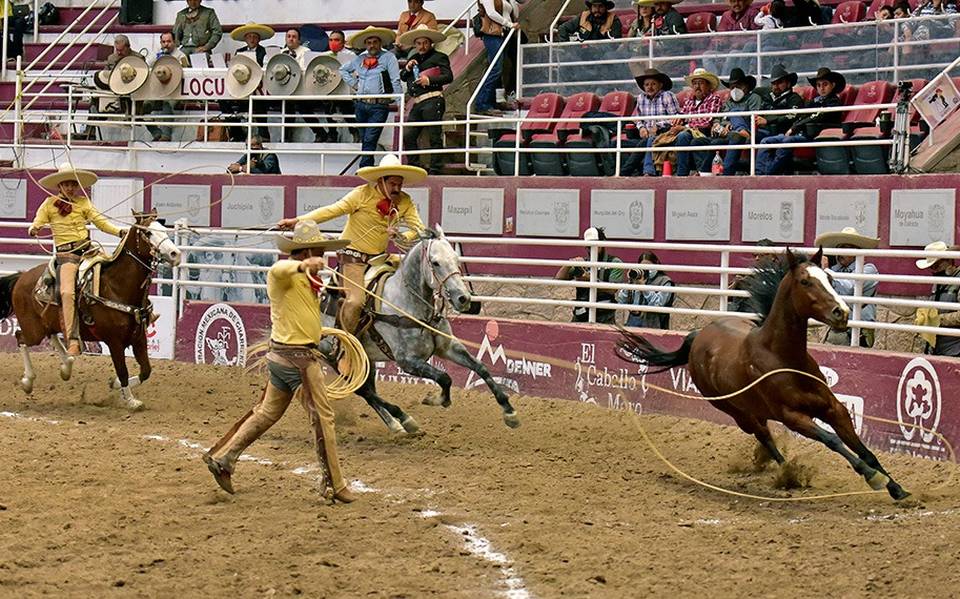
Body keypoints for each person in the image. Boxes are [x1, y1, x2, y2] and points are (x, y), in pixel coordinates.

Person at [203, 221, 357, 503]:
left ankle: (225, 458)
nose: (323, 259)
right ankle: (334, 484)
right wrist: (302, 265)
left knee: (267, 413)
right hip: (298, 361)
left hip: (284, 358)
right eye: (319, 252)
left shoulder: (309, 281)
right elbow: (277, 269)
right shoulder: (286, 274)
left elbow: (303, 314)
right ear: (307, 251)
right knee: (323, 418)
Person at [276, 154, 426, 371]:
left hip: (380, 259)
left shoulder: (405, 201)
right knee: (355, 301)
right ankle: (342, 348)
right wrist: (296, 221)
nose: (397, 188)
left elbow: (418, 228)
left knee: (413, 283)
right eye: (393, 183)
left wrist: (402, 237)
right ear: (381, 181)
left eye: (399, 184)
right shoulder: (361, 195)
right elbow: (331, 210)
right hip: (352, 258)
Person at [27, 164, 124, 357]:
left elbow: (100, 222)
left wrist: (120, 231)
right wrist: (34, 228)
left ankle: (135, 315)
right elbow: (38, 221)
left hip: (88, 251)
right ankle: (72, 339)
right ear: (59, 186)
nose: (70, 188)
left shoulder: (83, 203)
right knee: (67, 292)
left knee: (115, 271)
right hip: (67, 256)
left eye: (73, 184)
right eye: (66, 184)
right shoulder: (49, 204)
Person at [756, 66, 844, 175]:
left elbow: (817, 116)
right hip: (802, 133)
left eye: (825, 84)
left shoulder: (834, 102)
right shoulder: (814, 101)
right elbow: (802, 115)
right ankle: (758, 174)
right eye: (818, 85)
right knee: (766, 141)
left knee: (786, 142)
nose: (821, 88)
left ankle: (767, 175)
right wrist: (795, 127)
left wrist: (794, 128)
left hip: (815, 135)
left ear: (833, 85)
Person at [341, 27, 403, 168]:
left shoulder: (388, 58)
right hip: (361, 104)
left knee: (370, 138)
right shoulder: (360, 59)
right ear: (365, 44)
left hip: (379, 105)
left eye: (375, 42)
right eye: (369, 42)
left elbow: (395, 80)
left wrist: (400, 103)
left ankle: (364, 167)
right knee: (365, 138)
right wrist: (355, 84)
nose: (372, 45)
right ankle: (368, 166)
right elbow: (343, 69)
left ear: (380, 43)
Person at [399, 25, 453, 174]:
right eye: (418, 43)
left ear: (430, 43)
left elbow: (448, 76)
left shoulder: (440, 57)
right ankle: (414, 167)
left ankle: (435, 168)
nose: (422, 46)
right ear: (415, 44)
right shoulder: (413, 58)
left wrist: (429, 80)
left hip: (433, 98)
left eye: (425, 43)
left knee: (434, 135)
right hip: (417, 102)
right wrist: (408, 68)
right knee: (409, 135)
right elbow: (403, 76)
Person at [814, 227, 880, 347]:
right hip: (838, 327)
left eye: (846, 248)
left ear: (857, 251)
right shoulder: (835, 270)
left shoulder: (869, 269)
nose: (841, 252)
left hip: (860, 331)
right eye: (840, 248)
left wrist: (826, 272)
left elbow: (850, 288)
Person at [693, 67, 763, 176]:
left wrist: (735, 124)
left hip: (752, 133)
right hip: (727, 134)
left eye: (738, 86)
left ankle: (726, 174)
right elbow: (721, 119)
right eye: (732, 87)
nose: (735, 90)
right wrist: (720, 125)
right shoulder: (728, 102)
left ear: (746, 86)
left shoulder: (754, 98)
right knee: (698, 142)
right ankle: (703, 173)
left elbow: (755, 119)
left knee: (734, 115)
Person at [555, 227, 624, 324]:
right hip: (581, 315)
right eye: (588, 246)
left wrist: (589, 279)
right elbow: (558, 279)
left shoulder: (614, 263)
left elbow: (612, 289)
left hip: (604, 315)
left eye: (595, 245)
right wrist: (569, 264)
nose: (591, 249)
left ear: (602, 243)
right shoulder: (583, 263)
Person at [620, 66, 679, 176]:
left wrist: (658, 126)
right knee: (615, 144)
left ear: (660, 85)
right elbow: (636, 118)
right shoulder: (641, 98)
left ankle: (643, 172)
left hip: (663, 135)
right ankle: (625, 171)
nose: (649, 87)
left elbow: (676, 118)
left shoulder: (667, 96)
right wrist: (641, 128)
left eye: (653, 84)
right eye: (647, 85)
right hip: (644, 136)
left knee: (649, 140)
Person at [669, 68, 724, 177]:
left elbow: (707, 121)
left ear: (708, 86)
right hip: (690, 131)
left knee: (683, 136)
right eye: (694, 83)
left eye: (701, 83)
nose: (697, 86)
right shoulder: (689, 101)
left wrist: (685, 127)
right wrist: (678, 120)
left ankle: (682, 174)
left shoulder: (714, 98)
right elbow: (683, 115)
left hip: (705, 132)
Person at [474, 0, 520, 115]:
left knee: (498, 68)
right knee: (495, 68)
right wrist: (508, 24)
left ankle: (493, 101)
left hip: (504, 33)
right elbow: (491, 13)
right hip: (493, 34)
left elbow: (515, 15)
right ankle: (482, 103)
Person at [914, 241, 960, 356]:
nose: (934, 270)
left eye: (937, 265)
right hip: (938, 348)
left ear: (949, 260)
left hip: (956, 349)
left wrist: (937, 319)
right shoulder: (939, 282)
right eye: (932, 267)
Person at [282, 28, 327, 143]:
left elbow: (304, 67)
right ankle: (286, 135)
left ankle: (320, 132)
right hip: (287, 87)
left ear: (299, 40)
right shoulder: (282, 52)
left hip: (303, 87)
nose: (291, 39)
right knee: (287, 108)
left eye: (294, 37)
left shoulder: (306, 51)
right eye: (289, 36)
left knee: (303, 108)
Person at [144, 32, 189, 142]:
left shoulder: (181, 55)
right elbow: (146, 64)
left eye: (169, 41)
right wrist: (157, 59)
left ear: (174, 42)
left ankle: (166, 135)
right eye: (163, 42)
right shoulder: (157, 54)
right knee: (144, 106)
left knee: (167, 104)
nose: (166, 44)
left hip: (176, 90)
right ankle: (155, 132)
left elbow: (186, 72)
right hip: (159, 89)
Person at [616, 252, 674, 329]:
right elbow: (621, 300)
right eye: (643, 267)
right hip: (633, 321)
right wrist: (630, 282)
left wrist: (644, 287)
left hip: (654, 324)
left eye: (648, 266)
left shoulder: (665, 281)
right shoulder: (637, 279)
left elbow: (658, 303)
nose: (646, 269)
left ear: (656, 264)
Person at [755, 64, 803, 140]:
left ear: (788, 83)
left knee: (761, 140)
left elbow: (792, 116)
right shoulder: (764, 93)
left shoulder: (794, 98)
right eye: (773, 83)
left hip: (781, 133)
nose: (776, 86)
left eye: (779, 82)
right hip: (763, 131)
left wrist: (768, 121)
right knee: (746, 138)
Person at [728, 238, 775, 313]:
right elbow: (727, 295)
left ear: (772, 256)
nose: (757, 258)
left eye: (761, 255)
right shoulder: (748, 271)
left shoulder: (778, 273)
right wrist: (736, 283)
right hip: (746, 311)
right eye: (755, 255)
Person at [556, 0, 624, 42]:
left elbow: (616, 43)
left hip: (603, 53)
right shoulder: (583, 16)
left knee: (609, 55)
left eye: (600, 6)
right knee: (568, 55)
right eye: (594, 6)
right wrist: (567, 47)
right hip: (582, 51)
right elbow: (563, 28)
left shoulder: (613, 20)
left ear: (605, 8)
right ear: (591, 8)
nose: (597, 9)